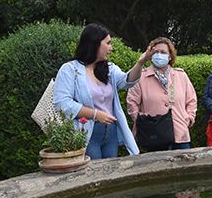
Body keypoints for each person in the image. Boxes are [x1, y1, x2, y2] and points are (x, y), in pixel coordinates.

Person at [53, 24, 153, 160]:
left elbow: (126, 81)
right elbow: (62, 103)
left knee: (109, 173)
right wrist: (95, 114)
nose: (111, 48)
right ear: (94, 44)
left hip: (110, 132)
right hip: (87, 133)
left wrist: (140, 63)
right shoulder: (69, 70)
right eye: (108, 43)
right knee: (93, 174)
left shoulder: (109, 69)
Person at [127, 37, 198, 151]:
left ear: (170, 56)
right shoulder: (141, 77)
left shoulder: (181, 75)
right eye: (156, 52)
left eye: (163, 52)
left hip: (179, 134)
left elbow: (191, 100)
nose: (159, 55)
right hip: (153, 136)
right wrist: (143, 123)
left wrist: (189, 118)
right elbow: (132, 103)